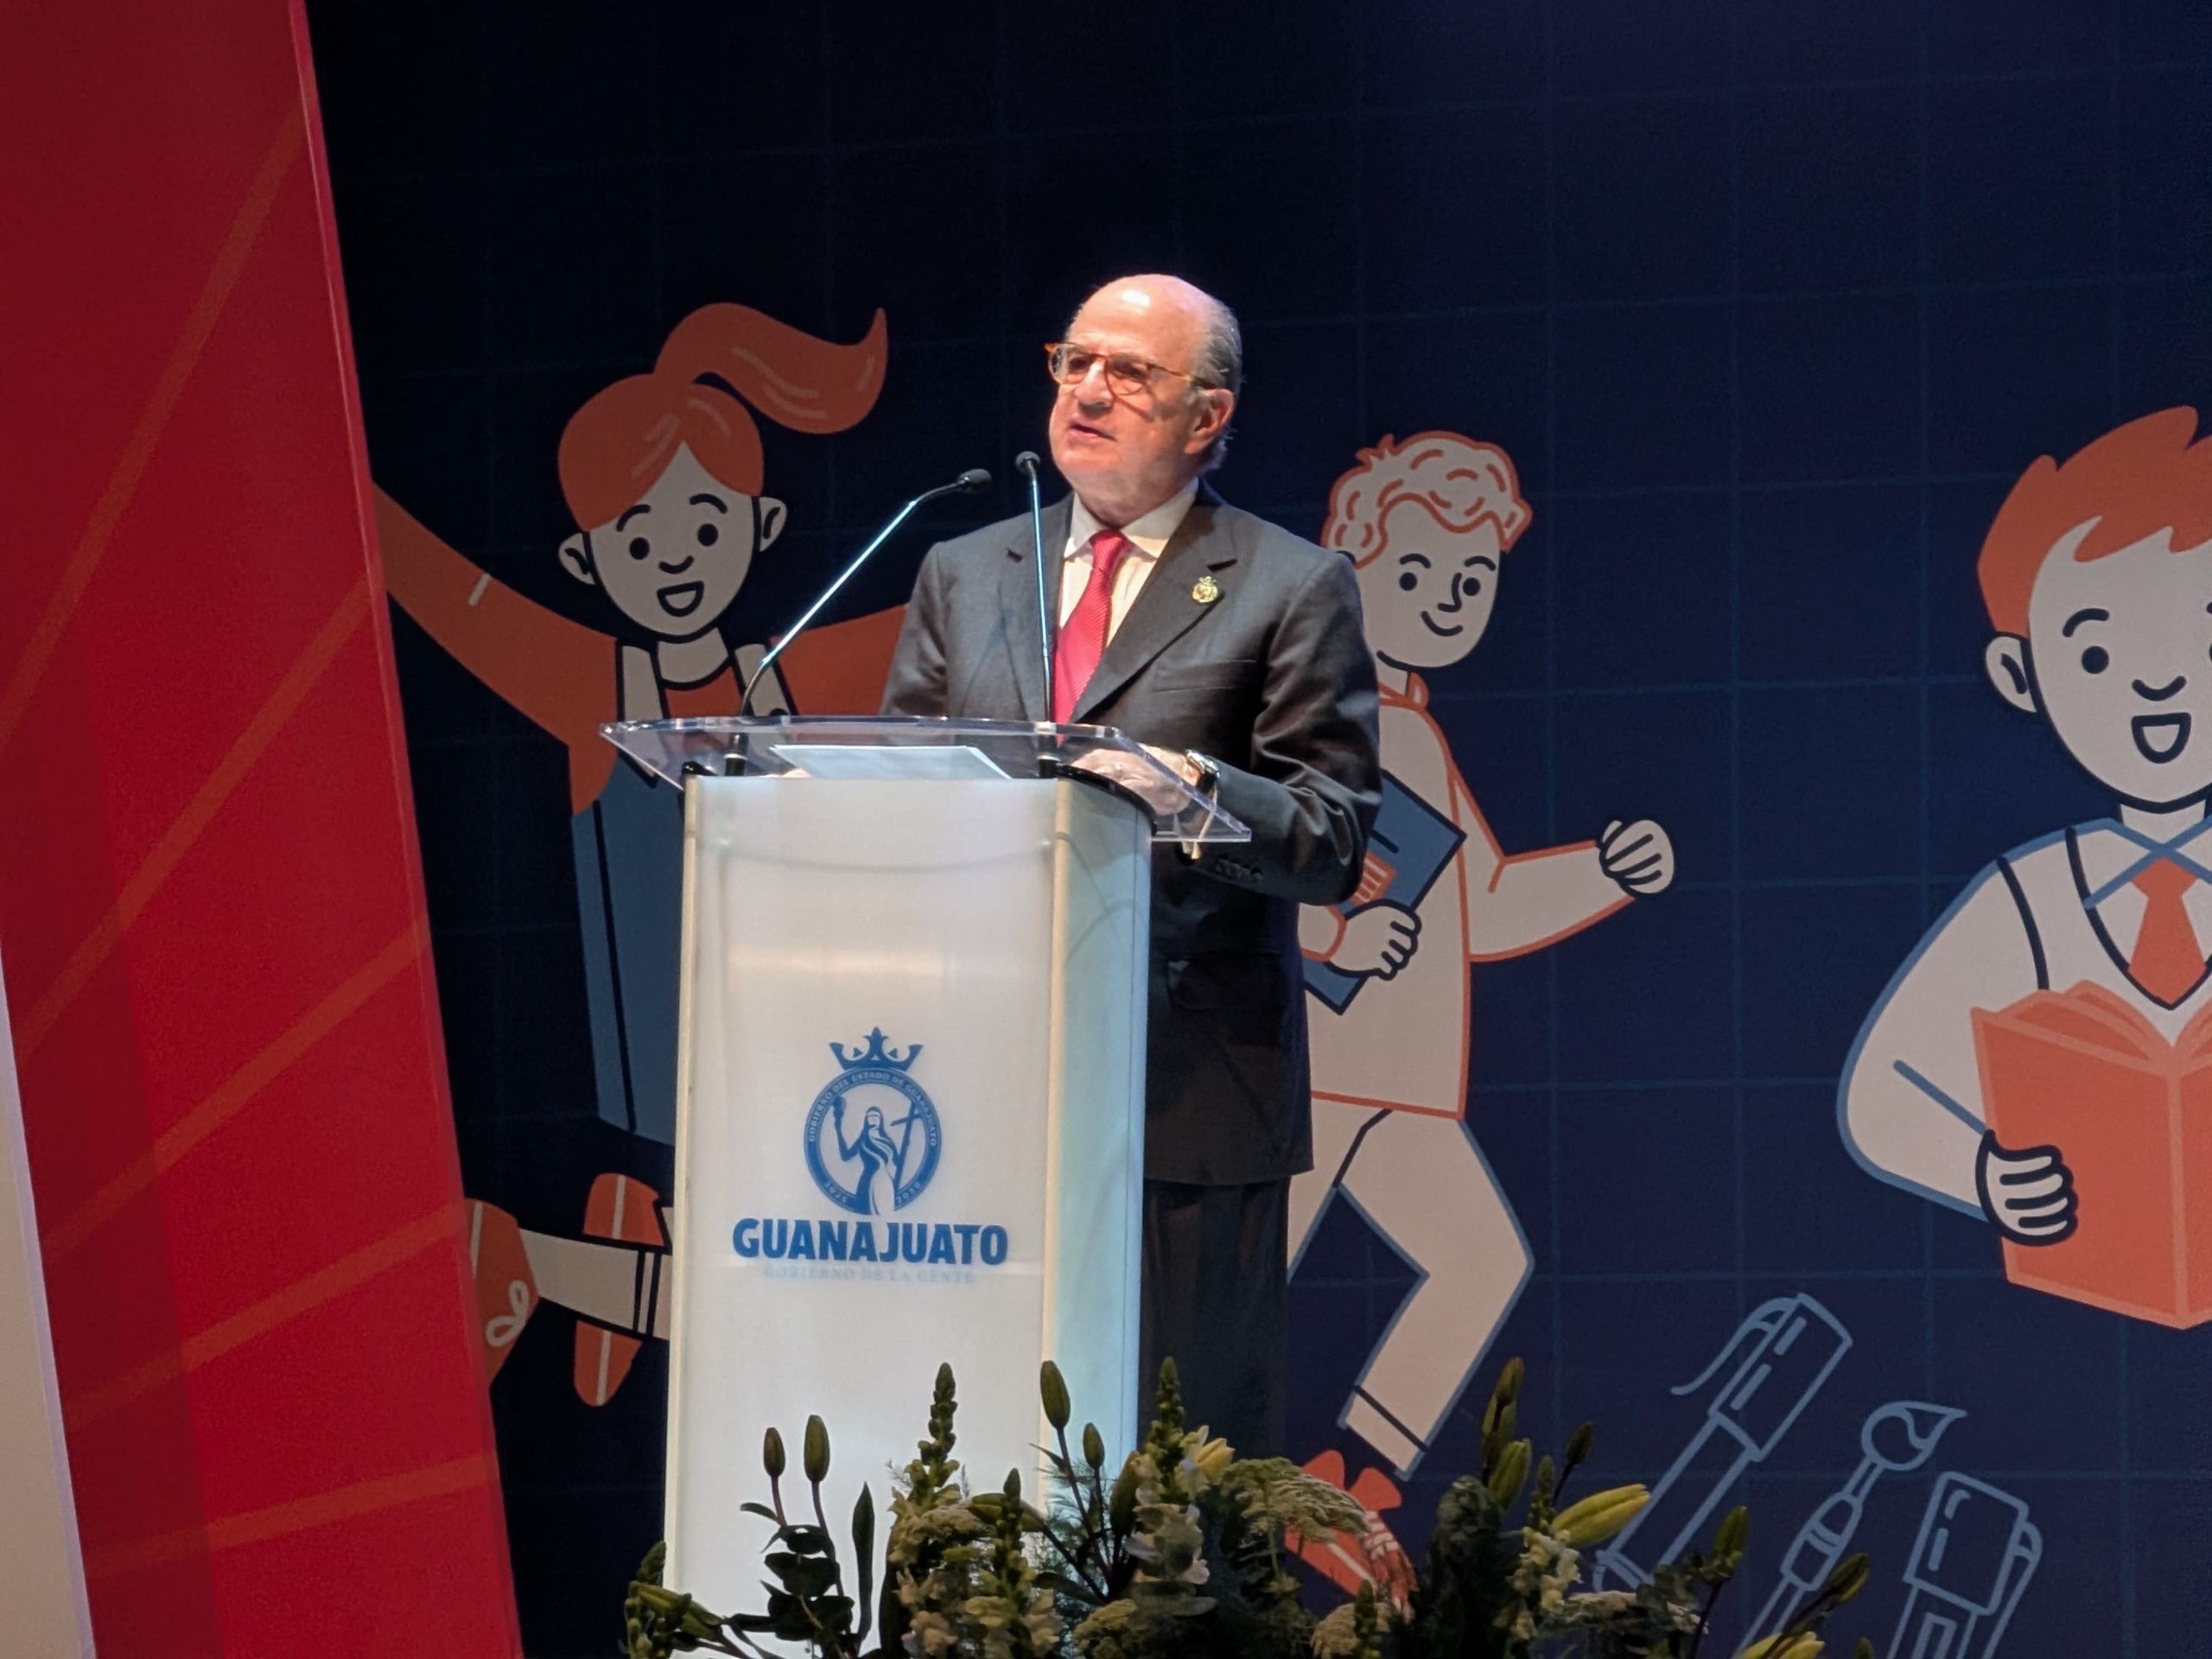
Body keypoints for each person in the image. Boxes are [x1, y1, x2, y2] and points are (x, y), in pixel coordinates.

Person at [880, 274, 1382, 1456]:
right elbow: (903, 788)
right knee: (978, 1440)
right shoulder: (965, 570)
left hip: (1189, 1091)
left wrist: (1187, 788)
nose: (1088, 391)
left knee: (1181, 1466)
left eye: (1130, 372)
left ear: (1208, 417)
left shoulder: (1288, 584)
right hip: (978, 1082)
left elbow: (1332, 837)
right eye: (1075, 362)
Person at [1287, 433, 1673, 1597]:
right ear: (1349, 566)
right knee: (1236, 1288)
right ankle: (1189, 1494)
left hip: (1402, 1086)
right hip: (1316, 1072)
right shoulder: (1306, 719)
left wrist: (1605, 873)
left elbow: (1485, 903)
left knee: (1478, 1260)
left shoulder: (1413, 733)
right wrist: (1337, 939)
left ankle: (1349, 1483)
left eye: (1471, 578)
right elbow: (1245, 869)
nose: (1447, 600)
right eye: (1415, 572)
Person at [1840, 408, 2212, 1254]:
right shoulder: (2030, 893)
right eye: (2096, 656)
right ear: (2020, 675)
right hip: (2086, 1270)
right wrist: (1980, 1171)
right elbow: (1883, 1086)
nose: (2159, 683)